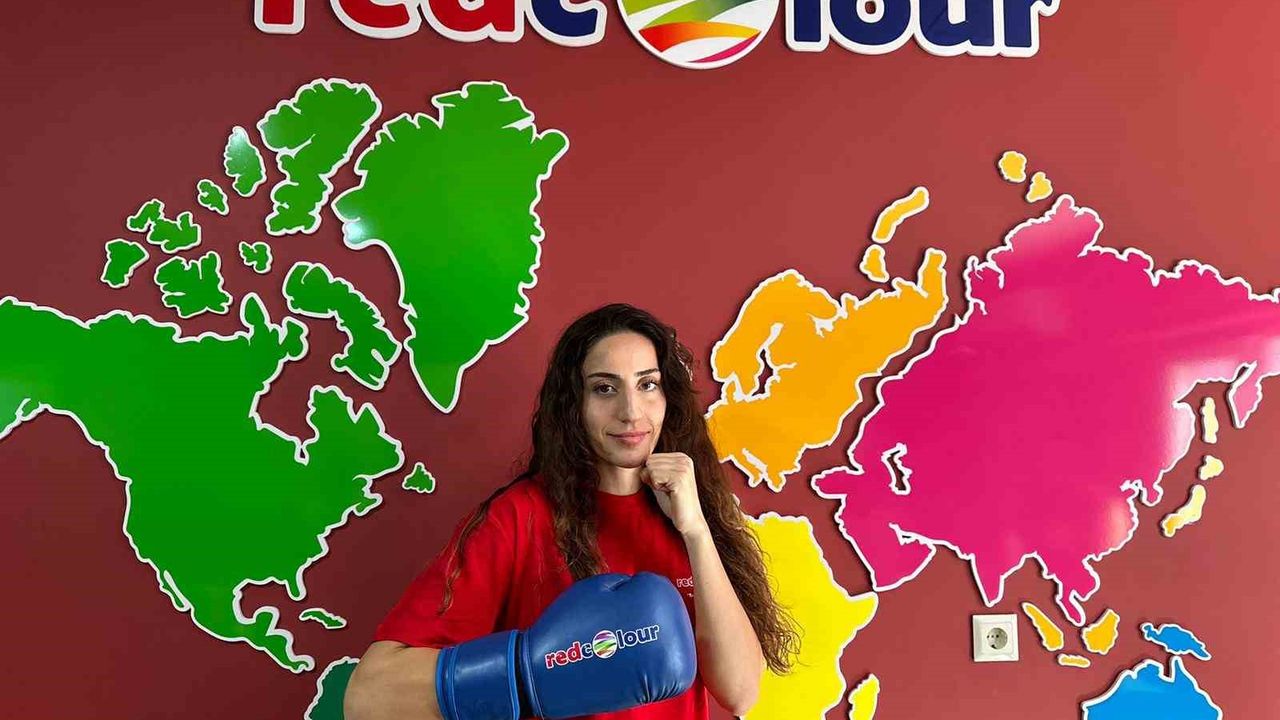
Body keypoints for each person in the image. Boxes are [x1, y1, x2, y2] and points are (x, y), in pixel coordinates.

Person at [345, 303, 798, 720]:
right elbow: (367, 697)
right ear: (574, 404)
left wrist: (695, 530)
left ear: (669, 397)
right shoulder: (520, 518)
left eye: (648, 384)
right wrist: (530, 671)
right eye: (604, 388)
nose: (630, 412)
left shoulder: (694, 512)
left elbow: (740, 693)